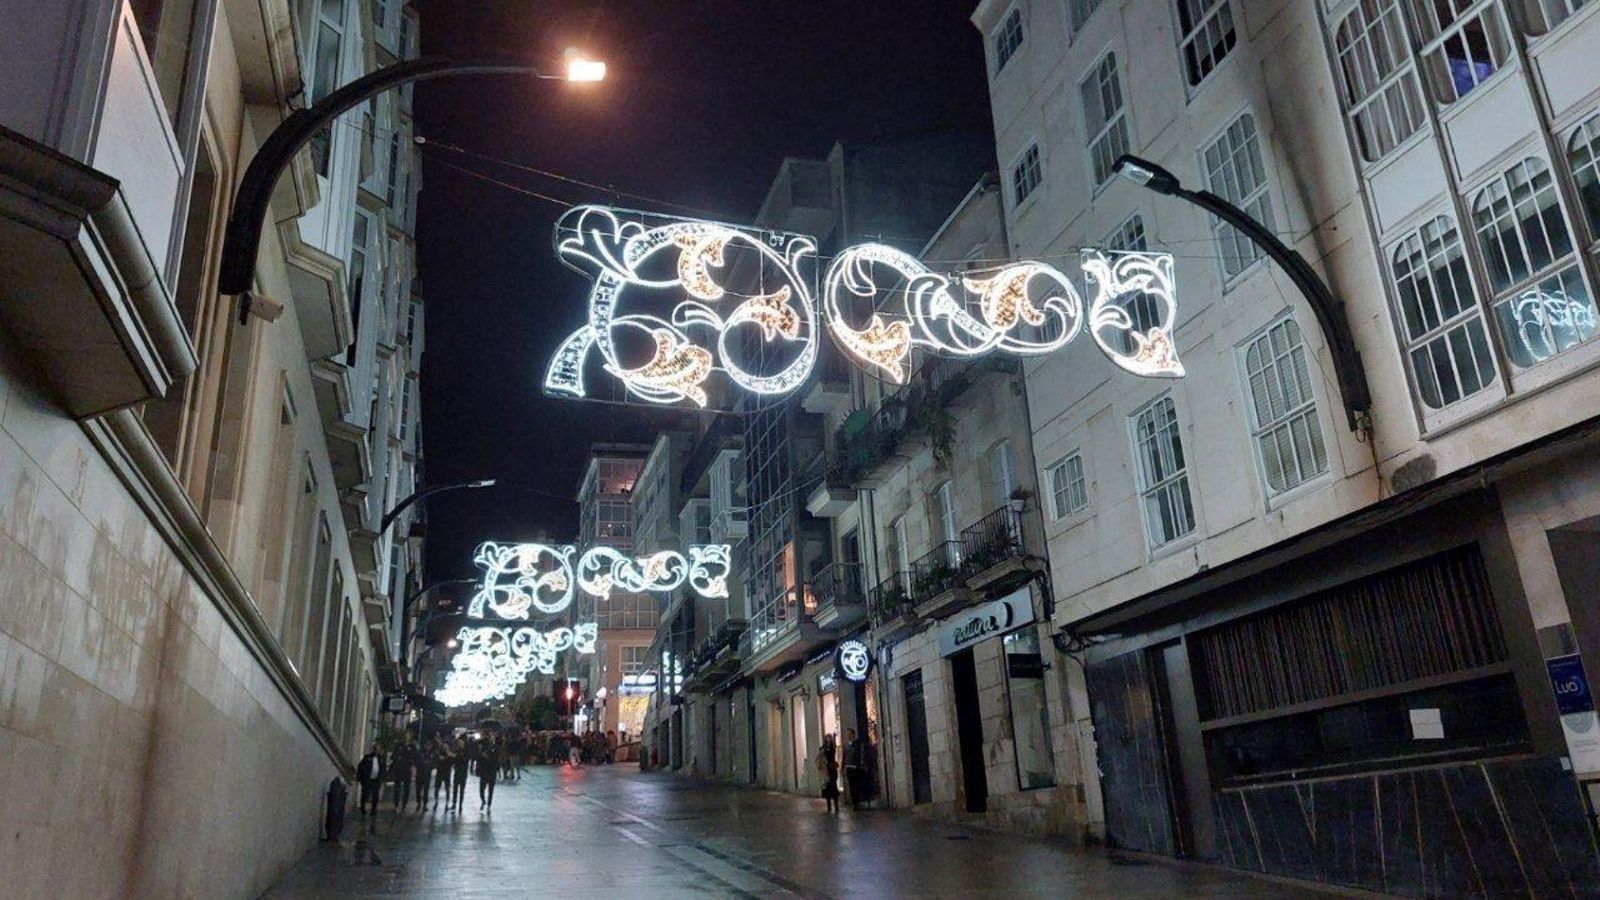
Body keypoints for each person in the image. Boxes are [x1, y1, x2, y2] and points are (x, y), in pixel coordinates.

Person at [355, 745, 386, 817]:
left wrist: (382, 779)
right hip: (367, 779)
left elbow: (383, 769)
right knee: (365, 794)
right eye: (376, 750)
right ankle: (363, 808)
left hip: (376, 780)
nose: (377, 751)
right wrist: (360, 778)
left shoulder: (381, 759)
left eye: (378, 750)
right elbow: (361, 767)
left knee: (375, 796)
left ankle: (373, 810)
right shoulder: (367, 757)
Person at [843, 728, 868, 809]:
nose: (848, 735)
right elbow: (844, 757)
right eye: (847, 734)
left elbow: (860, 755)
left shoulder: (857, 745)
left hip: (856, 767)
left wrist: (862, 765)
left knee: (857, 785)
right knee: (851, 785)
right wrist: (843, 767)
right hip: (848, 767)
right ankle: (854, 802)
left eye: (850, 734)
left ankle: (858, 801)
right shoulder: (846, 746)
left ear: (853, 735)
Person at [816, 735, 840, 813]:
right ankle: (829, 806)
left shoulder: (833, 747)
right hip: (826, 770)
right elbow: (820, 757)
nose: (828, 739)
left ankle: (836, 806)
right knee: (827, 788)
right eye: (827, 738)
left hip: (832, 768)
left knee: (833, 786)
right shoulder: (822, 748)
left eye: (829, 738)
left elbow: (834, 750)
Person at [477, 735, 501, 811]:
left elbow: (495, 760)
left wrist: (486, 757)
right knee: (482, 790)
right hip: (484, 772)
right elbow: (479, 760)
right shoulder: (482, 750)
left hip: (491, 772)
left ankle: (489, 804)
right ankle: (484, 800)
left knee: (490, 790)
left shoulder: (495, 749)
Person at [391, 737, 415, 812]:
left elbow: (415, 757)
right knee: (397, 788)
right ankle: (396, 805)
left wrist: (413, 767)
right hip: (398, 770)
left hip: (407, 771)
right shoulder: (398, 746)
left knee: (406, 789)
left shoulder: (412, 747)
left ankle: (404, 805)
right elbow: (393, 756)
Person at [450, 738, 472, 811]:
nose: (459, 744)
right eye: (458, 742)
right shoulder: (457, 751)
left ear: (463, 743)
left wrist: (456, 756)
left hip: (463, 773)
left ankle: (460, 805)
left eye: (460, 742)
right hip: (457, 772)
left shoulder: (466, 751)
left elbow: (465, 759)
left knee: (462, 790)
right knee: (455, 789)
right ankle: (454, 803)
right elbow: (454, 761)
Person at [413, 739, 434, 811]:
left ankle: (425, 804)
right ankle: (418, 802)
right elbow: (417, 761)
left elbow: (433, 763)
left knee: (426, 790)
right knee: (418, 790)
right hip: (420, 774)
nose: (428, 747)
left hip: (427, 775)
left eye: (429, 746)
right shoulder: (420, 753)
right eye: (427, 745)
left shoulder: (432, 754)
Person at [433, 738, 453, 808]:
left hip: (447, 772)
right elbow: (435, 761)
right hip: (440, 772)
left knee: (447, 788)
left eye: (446, 746)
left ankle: (447, 802)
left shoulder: (450, 753)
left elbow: (452, 762)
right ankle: (436, 801)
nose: (445, 747)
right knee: (436, 788)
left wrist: (448, 756)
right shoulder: (439, 752)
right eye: (444, 745)